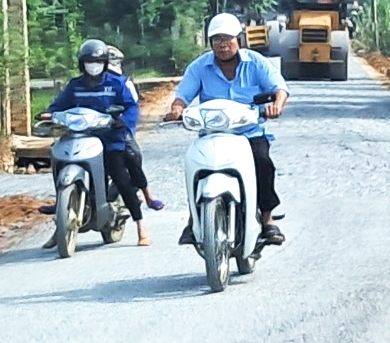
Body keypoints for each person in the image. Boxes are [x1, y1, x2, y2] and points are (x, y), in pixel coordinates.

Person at [166, 13, 289, 248]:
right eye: (217, 39)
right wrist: (176, 109)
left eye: (228, 39)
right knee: (196, 165)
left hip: (249, 132)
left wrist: (276, 105)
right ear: (210, 42)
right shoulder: (199, 67)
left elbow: (279, 88)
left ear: (239, 40)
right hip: (212, 134)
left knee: (263, 162)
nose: (223, 45)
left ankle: (267, 218)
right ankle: (194, 218)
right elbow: (182, 96)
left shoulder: (256, 62)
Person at [40, 38, 150, 247]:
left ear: (105, 62)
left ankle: (141, 226)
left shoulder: (117, 83)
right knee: (59, 160)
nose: (93, 65)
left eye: (98, 61)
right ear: (82, 63)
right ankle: (60, 220)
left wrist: (122, 121)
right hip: (80, 137)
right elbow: (59, 105)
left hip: (110, 138)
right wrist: (49, 114)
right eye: (89, 61)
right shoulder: (75, 86)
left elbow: (131, 107)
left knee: (120, 177)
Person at [106, 45, 163, 212]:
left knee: (133, 156)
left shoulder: (123, 83)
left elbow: (133, 106)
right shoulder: (84, 84)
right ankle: (62, 199)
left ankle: (147, 194)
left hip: (116, 129)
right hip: (90, 129)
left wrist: (122, 121)